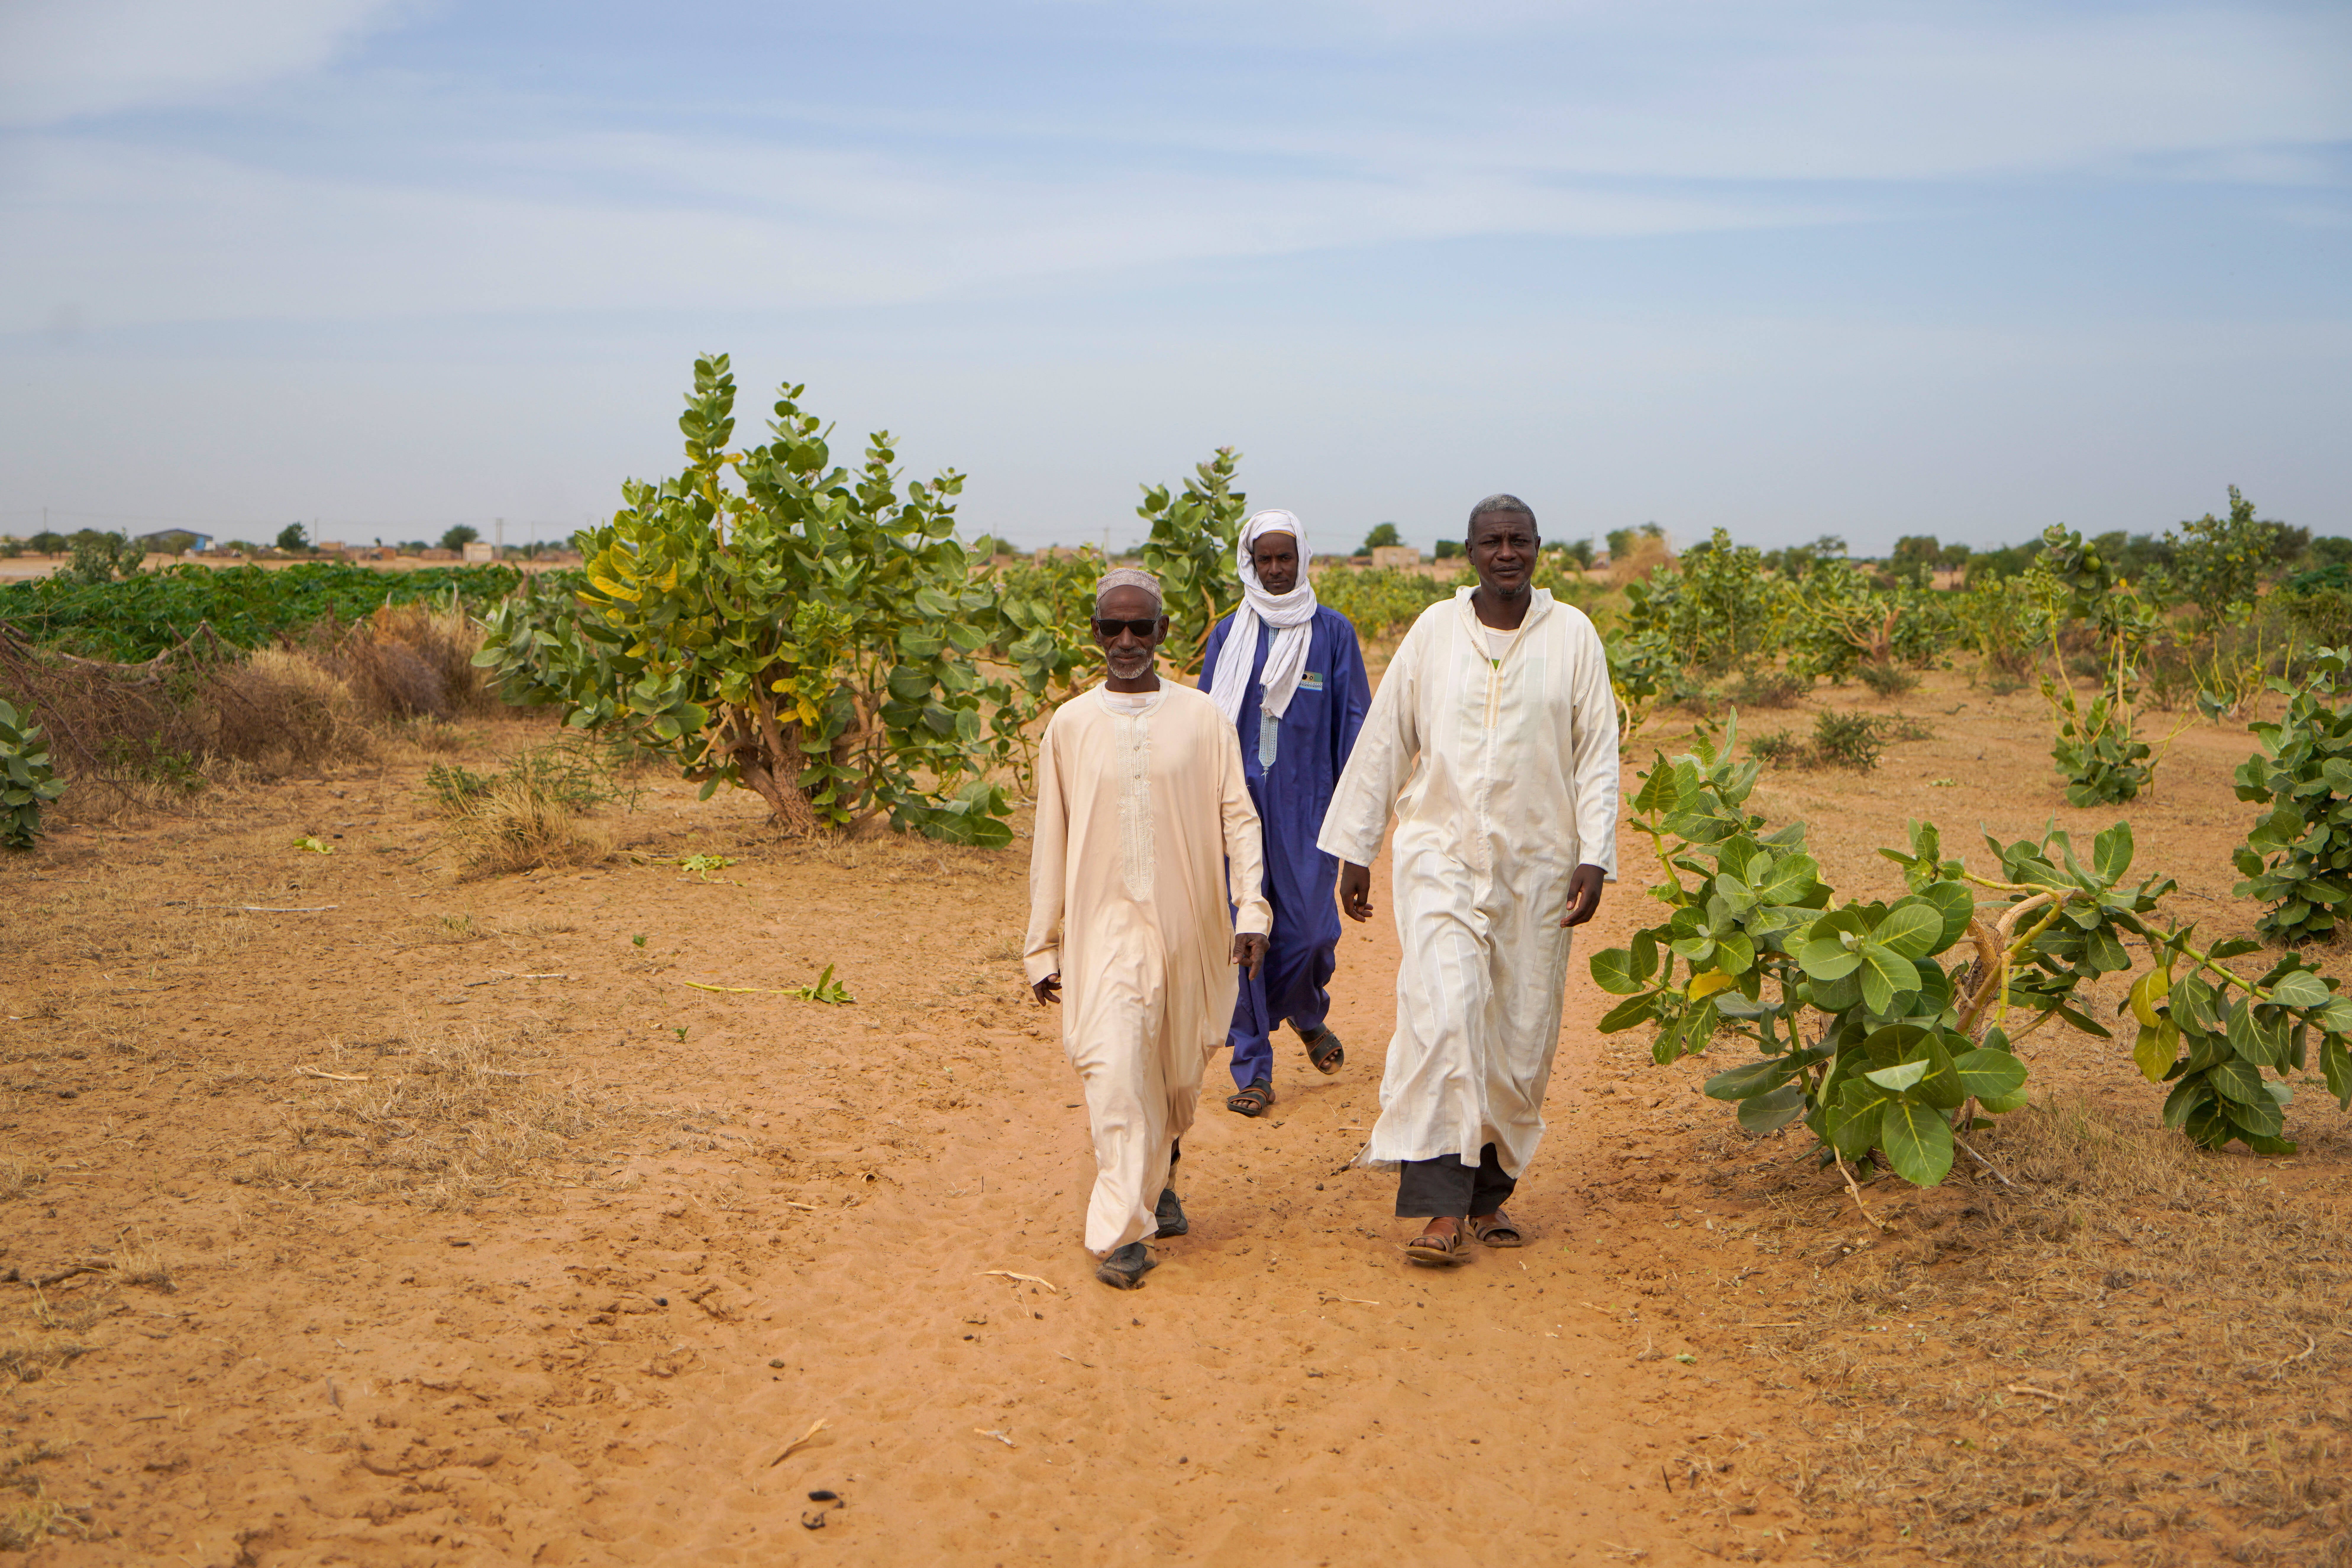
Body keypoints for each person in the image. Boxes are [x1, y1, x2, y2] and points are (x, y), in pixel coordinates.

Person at [1314, 494, 1620, 1267]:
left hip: (1540, 860)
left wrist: (1595, 854)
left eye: (1519, 540)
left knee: (1520, 1031)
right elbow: (1387, 738)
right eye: (1492, 541)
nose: (1506, 552)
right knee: (1444, 1011)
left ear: (1539, 547)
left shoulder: (1574, 635)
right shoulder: (1434, 631)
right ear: (1471, 550)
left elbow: (1597, 752)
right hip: (1439, 850)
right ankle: (1441, 1206)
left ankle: (1490, 1193)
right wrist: (1357, 848)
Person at [1026, 568, 1272, 1289]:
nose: (1127, 640)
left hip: (1191, 927)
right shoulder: (1071, 725)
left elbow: (1239, 818)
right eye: (1113, 627)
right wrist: (1041, 945)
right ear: (1096, 634)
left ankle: (1160, 1174)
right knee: (1113, 1070)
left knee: (1176, 1076)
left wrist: (1252, 909)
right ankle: (1124, 1233)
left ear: (1163, 632)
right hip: (1103, 930)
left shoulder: (1202, 717)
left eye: (1142, 627)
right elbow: (1050, 839)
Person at [1200, 508, 1371, 1118]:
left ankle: (1305, 1009)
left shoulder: (1332, 633)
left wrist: (1358, 830)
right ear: (1250, 563)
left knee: (1312, 936)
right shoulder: (1228, 634)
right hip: (1237, 808)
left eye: (1285, 557)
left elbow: (1355, 729)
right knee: (1247, 935)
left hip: (1311, 810)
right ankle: (1254, 1067)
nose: (1275, 569)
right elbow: (1203, 722)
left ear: (1302, 560)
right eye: (1265, 558)